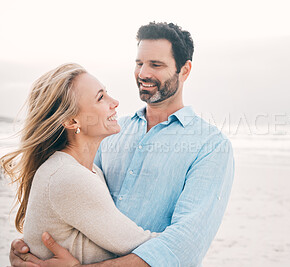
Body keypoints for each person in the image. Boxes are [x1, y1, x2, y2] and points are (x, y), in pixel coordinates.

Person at [9, 22, 234, 267]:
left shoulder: (210, 146)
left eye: (156, 65)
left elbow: (184, 247)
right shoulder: (109, 133)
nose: (143, 73)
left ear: (185, 70)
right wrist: (31, 249)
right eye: (139, 63)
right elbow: (71, 208)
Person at [1, 63, 159, 265]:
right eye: (101, 97)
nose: (115, 102)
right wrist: (189, 239)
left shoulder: (90, 171)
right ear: (71, 121)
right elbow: (144, 246)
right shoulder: (68, 177)